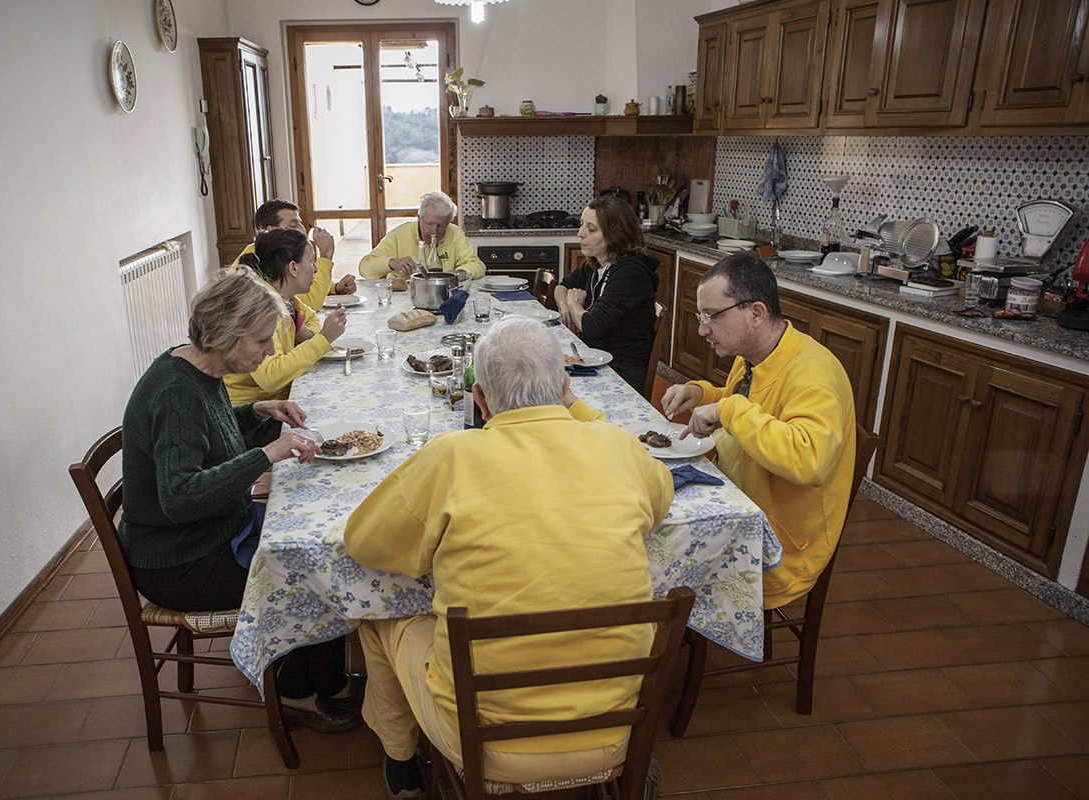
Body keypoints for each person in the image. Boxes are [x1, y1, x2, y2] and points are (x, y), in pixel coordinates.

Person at [344, 317, 672, 799]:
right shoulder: (619, 446)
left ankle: (401, 765)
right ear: (565, 386)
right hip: (614, 736)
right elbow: (661, 500)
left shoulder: (452, 455)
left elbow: (362, 543)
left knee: (378, 617)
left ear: (479, 399)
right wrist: (578, 411)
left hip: (486, 746)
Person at [118, 269, 359, 732]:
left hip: (209, 533)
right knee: (312, 568)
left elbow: (204, 431)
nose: (272, 350)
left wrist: (256, 411)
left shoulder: (192, 366)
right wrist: (266, 452)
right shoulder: (176, 391)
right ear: (226, 335)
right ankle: (299, 694)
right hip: (178, 559)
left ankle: (323, 681)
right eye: (263, 340)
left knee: (313, 549)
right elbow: (181, 497)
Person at [661, 253, 856, 609]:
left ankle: (662, 642)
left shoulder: (813, 375)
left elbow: (809, 460)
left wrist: (726, 408)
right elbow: (750, 408)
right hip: (741, 501)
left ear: (755, 313)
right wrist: (703, 393)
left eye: (712, 317)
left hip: (778, 549)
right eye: (700, 316)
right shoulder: (756, 353)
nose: (703, 329)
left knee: (651, 554)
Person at [225, 228, 347, 413]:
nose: (315, 269)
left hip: (277, 402)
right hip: (249, 415)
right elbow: (270, 376)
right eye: (311, 262)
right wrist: (322, 339)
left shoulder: (284, 298)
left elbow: (312, 319)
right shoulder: (260, 308)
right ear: (293, 268)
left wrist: (303, 331)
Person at [553, 195, 659, 393]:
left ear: (615, 235)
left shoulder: (630, 273)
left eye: (591, 229)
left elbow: (592, 326)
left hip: (620, 373)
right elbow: (561, 287)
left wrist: (575, 305)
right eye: (581, 225)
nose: (580, 233)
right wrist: (565, 305)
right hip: (596, 359)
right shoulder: (596, 263)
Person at [234, 199, 357, 310]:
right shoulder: (261, 257)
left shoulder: (276, 252)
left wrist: (334, 288)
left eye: (300, 223)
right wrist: (326, 256)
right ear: (269, 231)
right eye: (293, 225)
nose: (302, 230)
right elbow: (311, 303)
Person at [358, 191, 486, 280]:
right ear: (419, 218)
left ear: (448, 223)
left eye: (440, 226)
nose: (433, 232)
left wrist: (460, 273)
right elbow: (365, 268)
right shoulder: (399, 234)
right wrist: (391, 263)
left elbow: (478, 266)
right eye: (429, 224)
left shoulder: (455, 233)